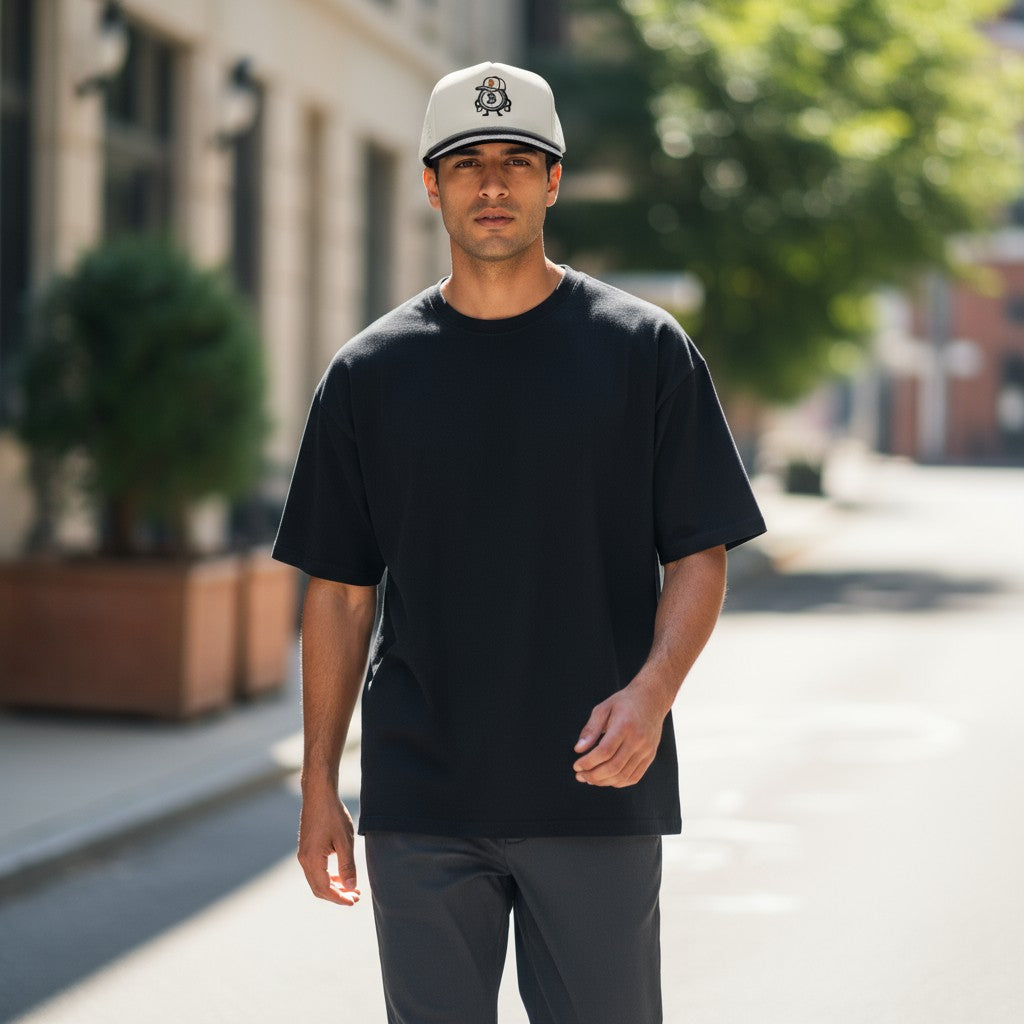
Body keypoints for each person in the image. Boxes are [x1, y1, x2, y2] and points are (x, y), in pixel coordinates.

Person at [273, 60, 766, 1024]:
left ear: (552, 180)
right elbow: (337, 593)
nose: (491, 185)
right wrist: (318, 785)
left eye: (515, 161)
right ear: (431, 184)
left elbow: (698, 554)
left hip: (596, 787)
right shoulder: (367, 375)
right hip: (422, 797)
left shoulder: (645, 351)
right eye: (466, 164)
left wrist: (652, 694)